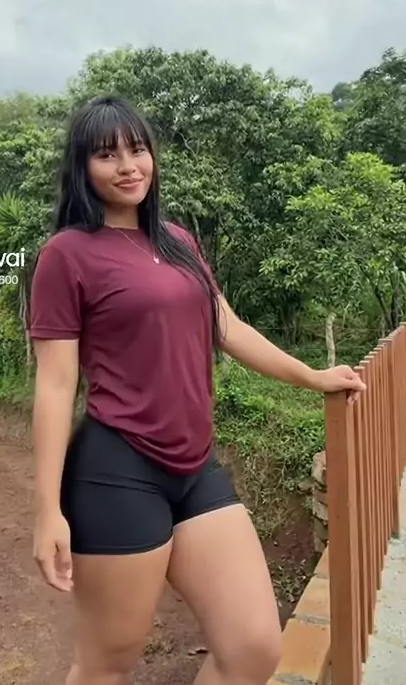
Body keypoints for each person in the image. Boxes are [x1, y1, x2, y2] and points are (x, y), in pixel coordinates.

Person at [28, 95, 366, 685]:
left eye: (137, 149)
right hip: (117, 469)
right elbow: (56, 385)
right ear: (82, 167)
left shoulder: (178, 240)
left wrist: (311, 376)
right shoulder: (67, 255)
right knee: (109, 661)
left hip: (194, 465)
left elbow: (226, 326)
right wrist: (47, 510)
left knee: (253, 648)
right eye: (107, 155)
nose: (128, 166)